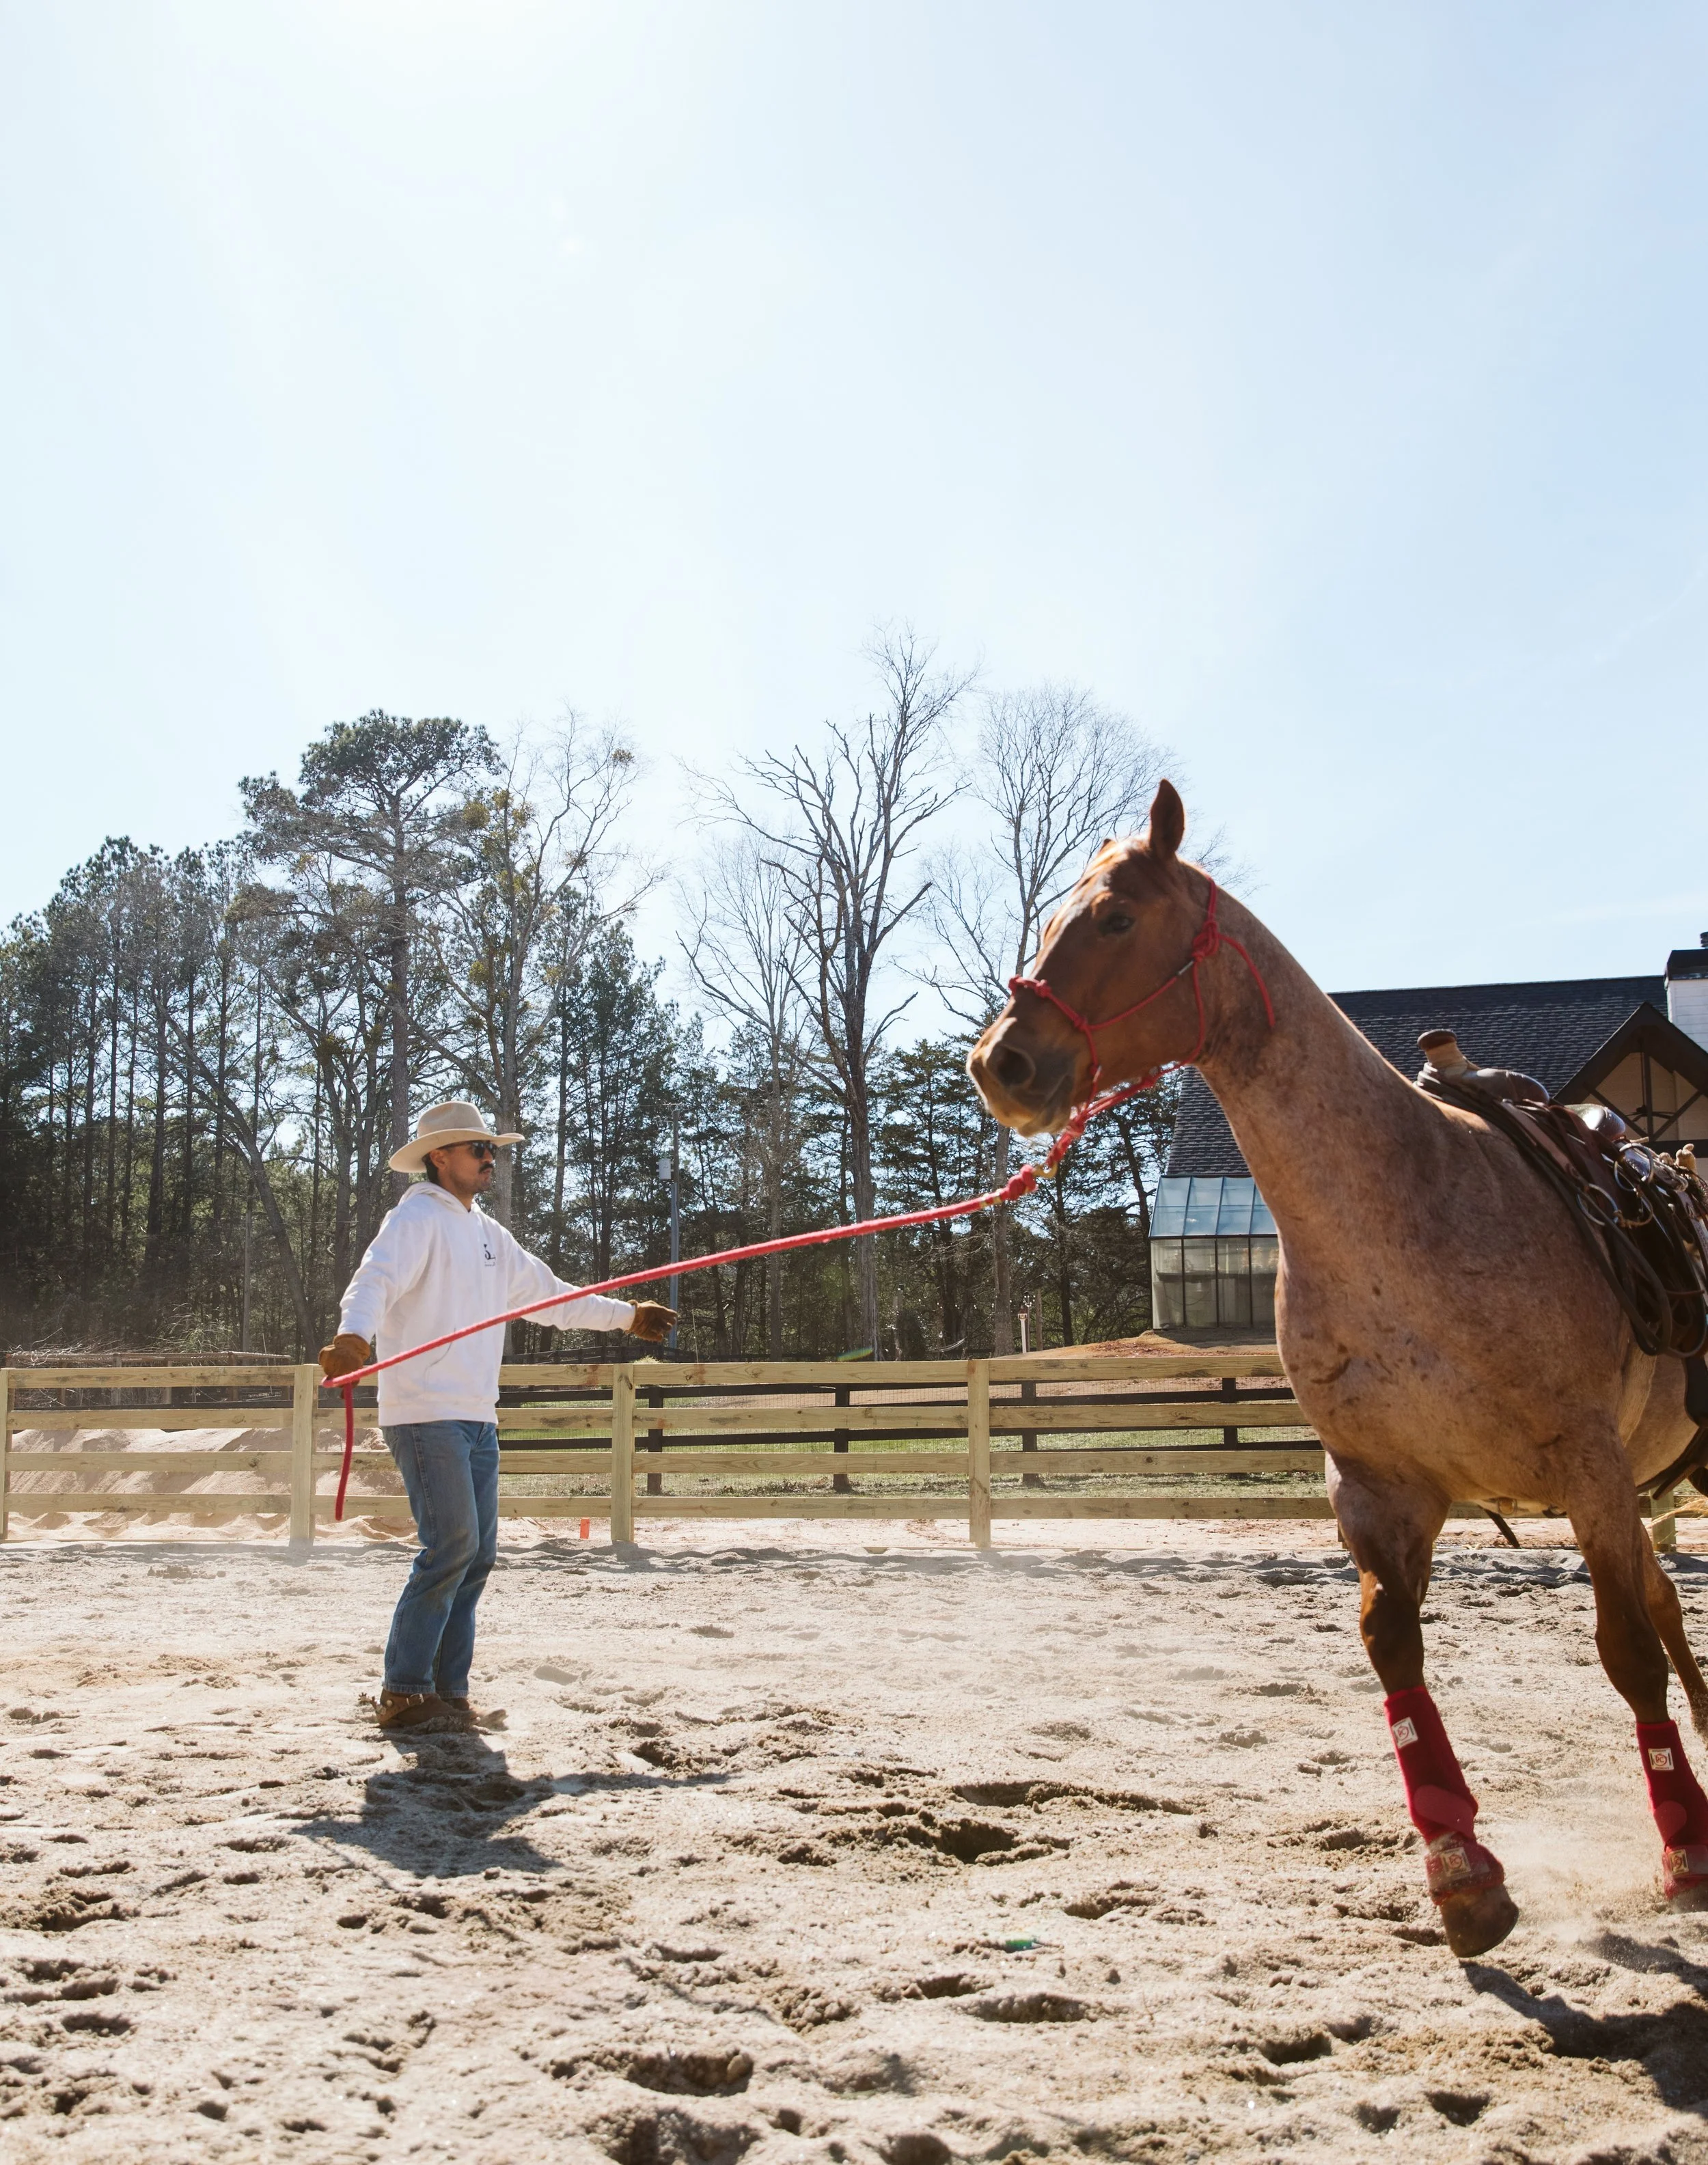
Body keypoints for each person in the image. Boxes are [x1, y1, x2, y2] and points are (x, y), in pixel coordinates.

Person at [319, 1099, 675, 1731]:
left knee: (477, 1553)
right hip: (425, 1411)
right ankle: (403, 1689)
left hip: (477, 1414)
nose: (491, 1159)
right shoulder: (416, 1218)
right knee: (450, 1544)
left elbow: (554, 1297)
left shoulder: (489, 1234)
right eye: (478, 1149)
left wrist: (626, 1316)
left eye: (492, 1149)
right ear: (440, 1157)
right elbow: (373, 1279)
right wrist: (354, 1335)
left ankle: (448, 1694)